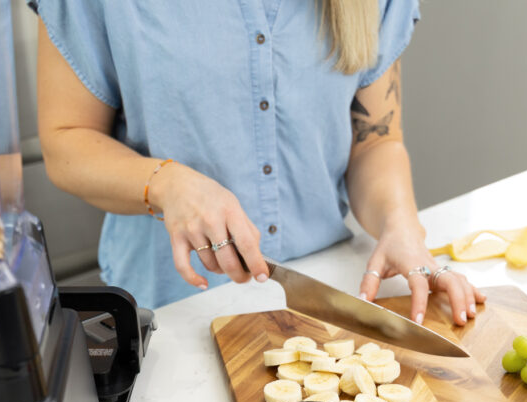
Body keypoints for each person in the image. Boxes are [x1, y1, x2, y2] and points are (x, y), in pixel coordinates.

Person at [33, 0, 485, 325]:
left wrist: (400, 224)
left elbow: (374, 140)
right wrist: (169, 185)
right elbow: (66, 143)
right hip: (169, 308)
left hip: (326, 288)